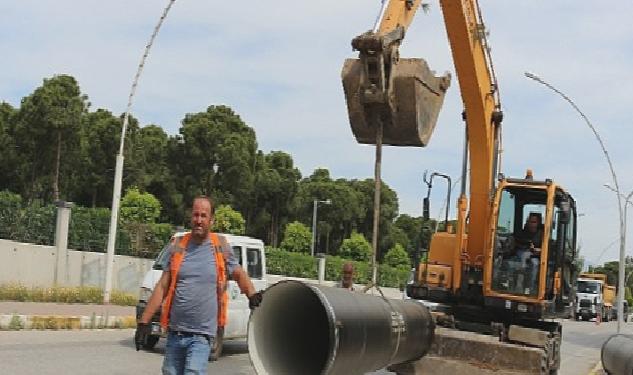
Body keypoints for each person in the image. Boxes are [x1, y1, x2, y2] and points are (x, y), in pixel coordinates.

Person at [135, 196, 263, 375]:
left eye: (204, 216)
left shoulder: (220, 246)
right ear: (190, 217)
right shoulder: (178, 245)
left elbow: (238, 273)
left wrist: (251, 294)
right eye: (196, 215)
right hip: (175, 332)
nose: (199, 220)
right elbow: (162, 286)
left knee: (193, 372)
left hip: (202, 335)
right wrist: (144, 321)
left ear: (211, 220)